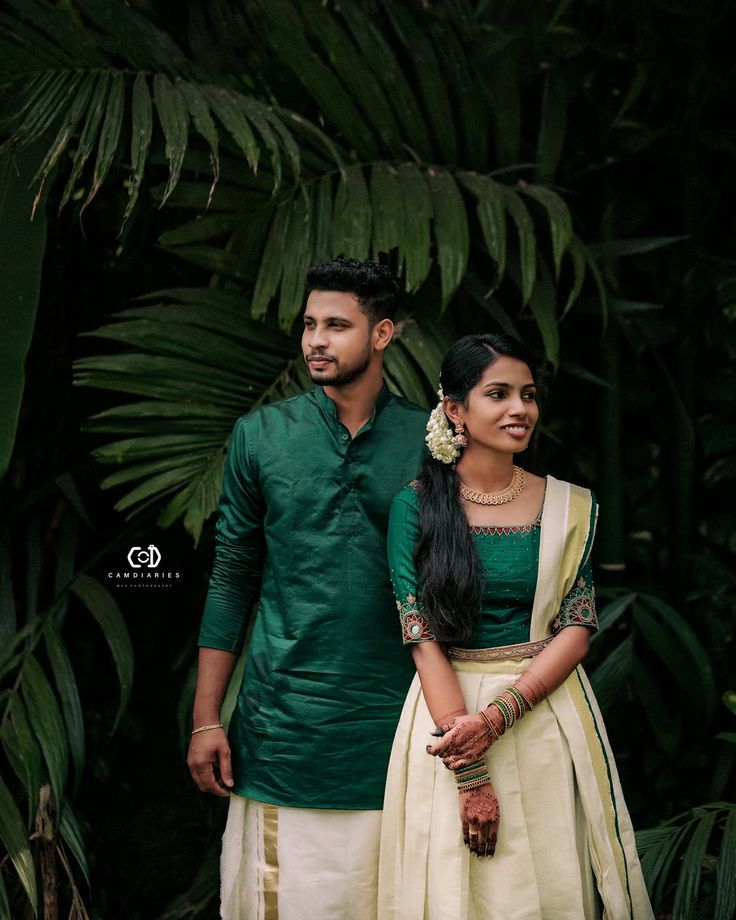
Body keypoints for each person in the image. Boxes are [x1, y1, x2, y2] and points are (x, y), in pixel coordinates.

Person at [379, 333, 653, 919]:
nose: (519, 409)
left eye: (527, 395)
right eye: (498, 393)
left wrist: (500, 715)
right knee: (455, 891)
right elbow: (422, 639)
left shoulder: (568, 506)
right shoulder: (418, 507)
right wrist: (471, 767)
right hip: (445, 724)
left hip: (545, 713)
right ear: (455, 409)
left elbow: (577, 628)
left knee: (551, 886)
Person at [187, 258, 428, 920]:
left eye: (337, 326)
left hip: (401, 729)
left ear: (382, 334)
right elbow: (233, 578)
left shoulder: (432, 442)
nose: (317, 340)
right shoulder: (260, 437)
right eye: (310, 325)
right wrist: (208, 717)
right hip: (281, 731)